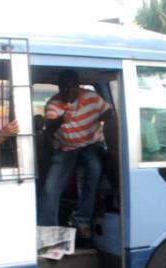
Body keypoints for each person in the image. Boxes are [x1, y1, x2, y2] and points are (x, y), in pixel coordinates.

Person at [37, 69, 113, 242]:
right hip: (65, 148)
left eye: (73, 86)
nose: (69, 91)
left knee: (95, 168)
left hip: (90, 144)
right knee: (50, 187)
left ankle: (81, 219)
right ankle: (48, 236)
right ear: (59, 87)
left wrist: (105, 121)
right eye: (65, 87)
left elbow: (108, 113)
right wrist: (60, 120)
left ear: (78, 86)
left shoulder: (91, 97)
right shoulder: (54, 105)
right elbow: (49, 128)